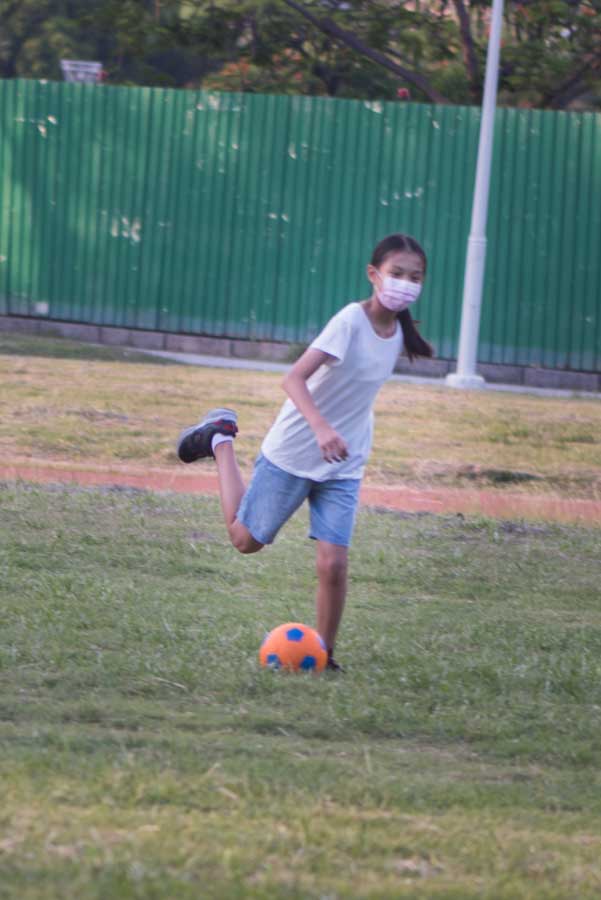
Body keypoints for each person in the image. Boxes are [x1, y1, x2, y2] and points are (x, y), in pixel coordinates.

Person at [177, 233, 433, 670]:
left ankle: (325, 656)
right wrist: (321, 429)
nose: (405, 284)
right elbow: (293, 378)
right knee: (244, 541)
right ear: (373, 275)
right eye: (397, 274)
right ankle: (220, 440)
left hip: (344, 464)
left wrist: (343, 439)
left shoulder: (396, 334)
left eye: (416, 277)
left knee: (334, 564)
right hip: (296, 449)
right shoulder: (349, 321)